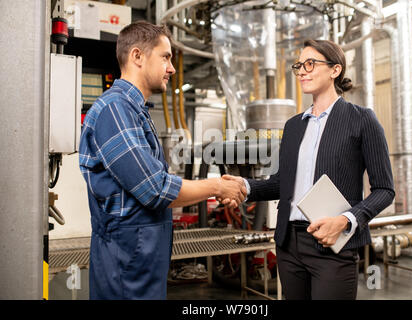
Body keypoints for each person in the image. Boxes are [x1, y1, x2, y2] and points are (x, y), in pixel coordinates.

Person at [79, 21, 246, 300]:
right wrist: (217, 186)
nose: (171, 68)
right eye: (165, 57)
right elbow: (155, 189)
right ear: (137, 56)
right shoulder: (115, 110)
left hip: (139, 259)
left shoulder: (134, 111)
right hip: (125, 263)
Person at [223, 39, 395, 300]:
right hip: (288, 244)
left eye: (310, 64)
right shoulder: (294, 126)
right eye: (299, 65)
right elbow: (281, 183)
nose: (302, 71)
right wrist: (244, 186)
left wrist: (346, 220)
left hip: (332, 245)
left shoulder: (361, 120)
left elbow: (384, 189)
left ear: (335, 70)